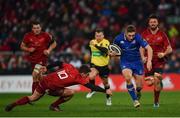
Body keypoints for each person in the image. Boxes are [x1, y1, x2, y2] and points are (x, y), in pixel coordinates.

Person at [5, 61, 112, 112]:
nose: (88, 76)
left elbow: (59, 62)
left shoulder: (70, 66)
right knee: (71, 93)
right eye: (87, 75)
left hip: (44, 81)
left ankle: (13, 104)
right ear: (83, 74)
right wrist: (105, 91)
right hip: (52, 88)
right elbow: (92, 87)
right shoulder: (79, 78)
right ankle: (54, 106)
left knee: (32, 97)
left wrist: (47, 67)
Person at [110, 25, 153, 108]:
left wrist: (149, 61)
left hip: (137, 62)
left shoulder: (138, 37)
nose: (131, 37)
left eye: (133, 35)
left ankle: (138, 92)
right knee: (128, 78)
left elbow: (149, 48)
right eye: (129, 35)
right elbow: (113, 51)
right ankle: (135, 100)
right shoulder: (118, 38)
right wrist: (112, 54)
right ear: (125, 33)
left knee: (139, 86)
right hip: (125, 61)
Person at [141, 14, 172, 107]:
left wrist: (164, 54)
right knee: (149, 83)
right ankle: (159, 80)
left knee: (156, 80)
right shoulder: (144, 34)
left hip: (159, 61)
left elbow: (169, 48)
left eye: (154, 22)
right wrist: (142, 57)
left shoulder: (162, 34)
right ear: (149, 23)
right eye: (151, 22)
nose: (153, 23)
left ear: (157, 23)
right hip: (148, 61)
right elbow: (141, 47)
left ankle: (156, 102)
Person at [20, 21, 57, 94]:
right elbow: (22, 46)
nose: (36, 29)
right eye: (35, 28)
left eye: (38, 28)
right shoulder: (28, 36)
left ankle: (33, 96)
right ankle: (50, 88)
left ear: (40, 28)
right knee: (40, 77)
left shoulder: (46, 35)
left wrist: (49, 50)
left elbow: (54, 43)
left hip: (42, 59)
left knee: (34, 75)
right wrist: (28, 49)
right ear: (32, 29)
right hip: (33, 60)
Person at [86, 28, 112, 106]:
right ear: (95, 36)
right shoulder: (92, 42)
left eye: (100, 35)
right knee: (91, 76)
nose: (98, 37)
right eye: (97, 36)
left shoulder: (106, 42)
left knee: (106, 84)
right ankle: (93, 90)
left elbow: (104, 50)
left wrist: (95, 45)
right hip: (95, 65)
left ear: (103, 35)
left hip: (104, 66)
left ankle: (108, 98)